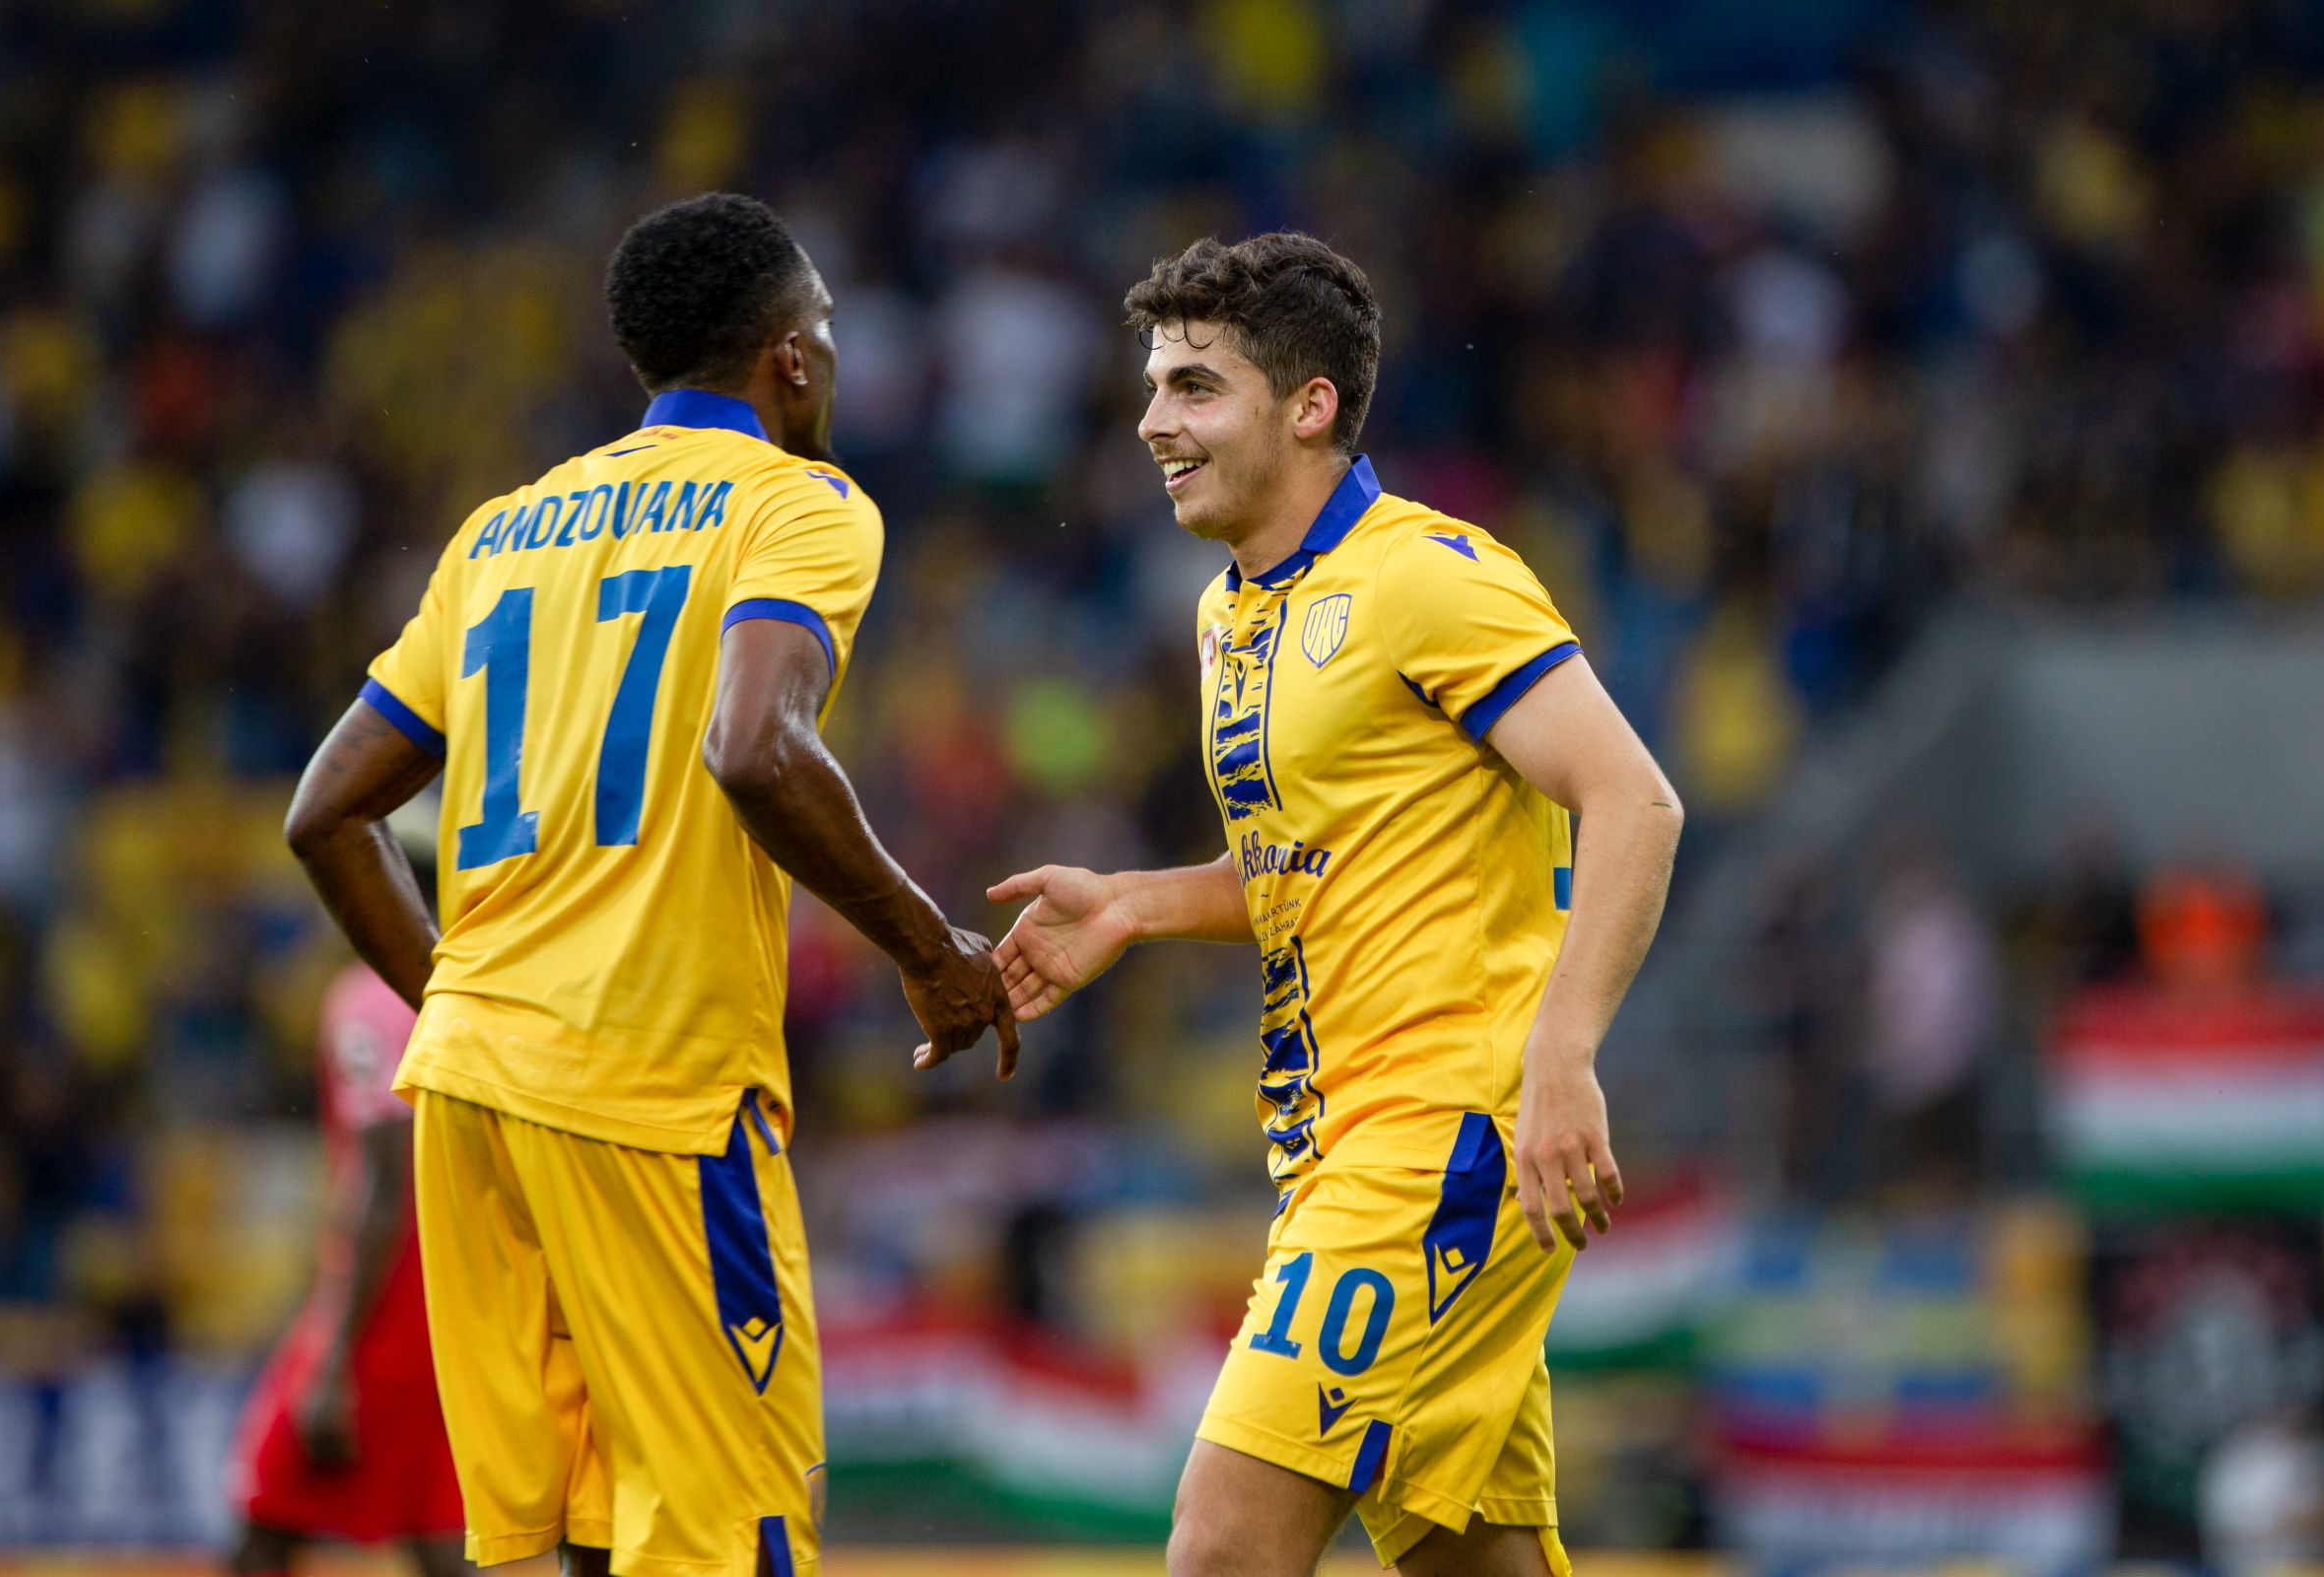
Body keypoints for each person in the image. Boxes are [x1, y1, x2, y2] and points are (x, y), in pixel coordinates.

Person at [281, 192, 1016, 1577]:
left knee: (577, 1535)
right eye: (829, 328)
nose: (836, 354)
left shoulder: (502, 529)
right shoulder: (799, 504)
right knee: (731, 1530)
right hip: (653, 1093)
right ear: (790, 354)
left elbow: (326, 813)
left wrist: (475, 1004)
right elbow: (754, 748)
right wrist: (930, 949)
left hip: (473, 1099)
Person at [991, 235, 1682, 1577]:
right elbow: (1316, 867)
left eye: (1195, 388)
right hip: (1339, 1140)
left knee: (1221, 1547)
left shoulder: (1429, 575)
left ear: (1310, 406)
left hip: (1445, 1139)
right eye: (1153, 388)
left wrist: (1564, 1052)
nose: (1153, 423)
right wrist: (1133, 904)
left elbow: (1634, 800)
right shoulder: (1226, 618)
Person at [227, 810, 464, 1577]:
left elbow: (384, 1185)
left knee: (264, 1516)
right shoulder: (455, 998)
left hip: (383, 1306)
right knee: (435, 1533)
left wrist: (333, 1356)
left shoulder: (367, 1001)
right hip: (452, 1299)